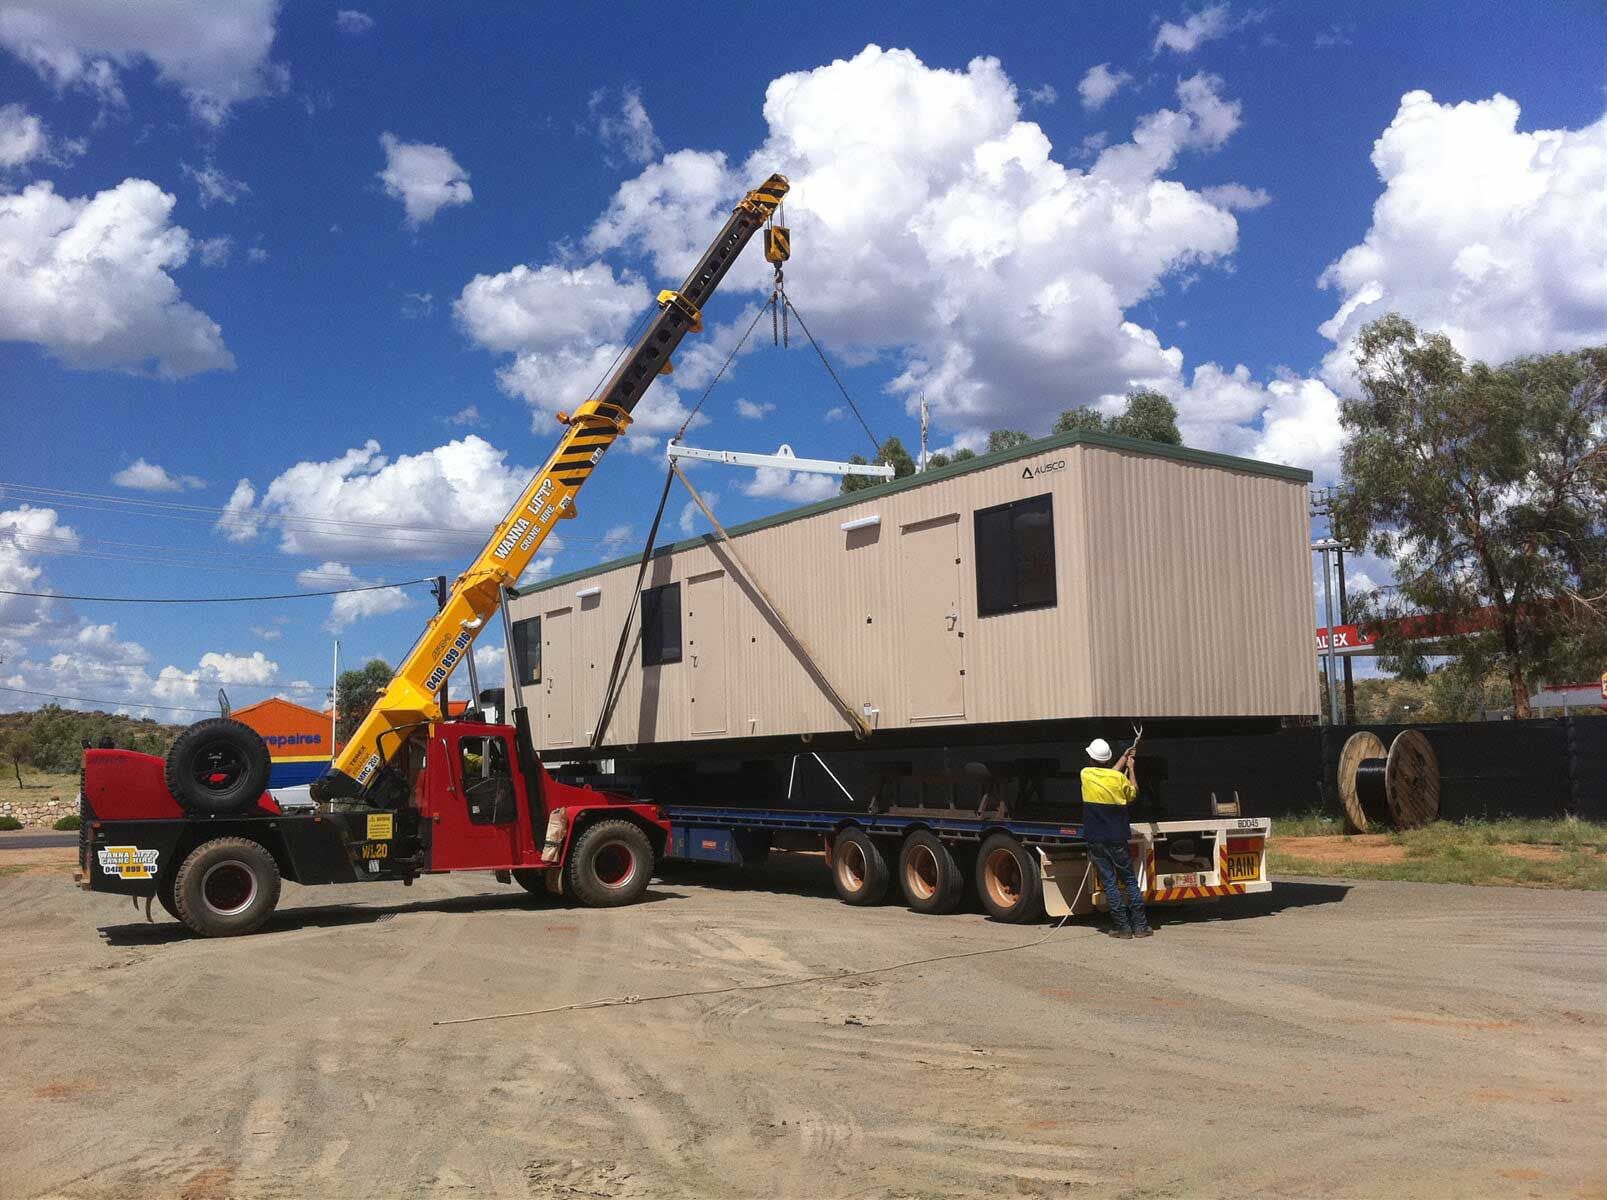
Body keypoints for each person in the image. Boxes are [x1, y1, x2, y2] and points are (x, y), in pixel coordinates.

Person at [1080, 737, 1152, 939]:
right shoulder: (1119, 779)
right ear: (1107, 758)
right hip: (1118, 837)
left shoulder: (1085, 774)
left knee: (1110, 883)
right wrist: (1131, 769)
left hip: (1096, 839)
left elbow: (1108, 774)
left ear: (1091, 758)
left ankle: (1123, 928)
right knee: (1129, 880)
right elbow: (1133, 793)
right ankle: (1140, 927)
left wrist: (1123, 758)